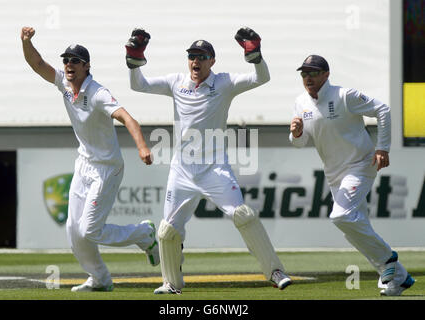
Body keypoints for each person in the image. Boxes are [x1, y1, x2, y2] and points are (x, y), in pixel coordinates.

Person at [125, 27, 292, 294]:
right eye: (192, 56)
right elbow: (138, 84)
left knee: (243, 215)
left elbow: (262, 78)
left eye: (202, 57)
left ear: (212, 61)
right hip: (182, 170)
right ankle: (171, 283)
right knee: (167, 232)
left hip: (215, 168)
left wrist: (255, 56)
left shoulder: (224, 82)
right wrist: (134, 58)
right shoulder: (176, 81)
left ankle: (274, 271)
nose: (196, 61)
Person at [21, 26, 160, 292]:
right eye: (66, 60)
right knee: (74, 231)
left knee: (89, 231)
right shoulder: (63, 82)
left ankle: (144, 234)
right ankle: (99, 279)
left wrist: (142, 146)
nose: (68, 65)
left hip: (107, 168)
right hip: (84, 164)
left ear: (86, 67)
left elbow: (128, 118)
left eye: (75, 61)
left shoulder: (98, 93)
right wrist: (26, 41)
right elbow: (36, 63)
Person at [289, 55, 415, 296]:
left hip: (360, 164)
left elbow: (382, 109)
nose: (307, 78)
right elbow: (300, 143)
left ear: (326, 75)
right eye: (304, 73)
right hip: (334, 173)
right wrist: (295, 134)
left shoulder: (344, 95)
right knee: (353, 227)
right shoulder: (300, 103)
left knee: (341, 216)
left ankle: (388, 260)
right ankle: (397, 277)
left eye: (313, 73)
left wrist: (382, 148)